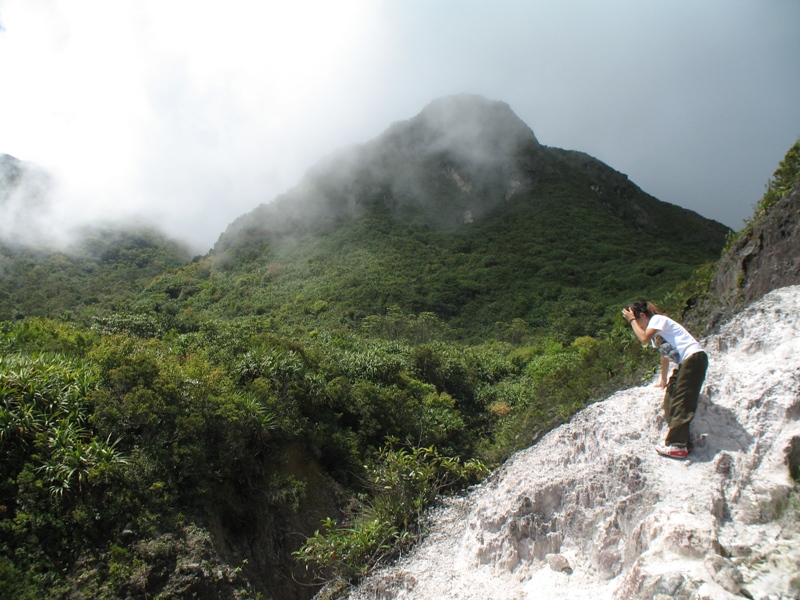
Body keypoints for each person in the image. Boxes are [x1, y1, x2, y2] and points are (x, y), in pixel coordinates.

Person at [621, 301, 708, 459]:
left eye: (636, 318)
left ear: (641, 315)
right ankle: (682, 441)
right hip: (685, 363)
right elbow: (665, 354)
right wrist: (663, 379)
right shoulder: (656, 335)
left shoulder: (657, 320)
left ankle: (677, 445)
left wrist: (631, 321)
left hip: (693, 358)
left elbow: (644, 339)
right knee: (670, 399)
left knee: (682, 400)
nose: (636, 323)